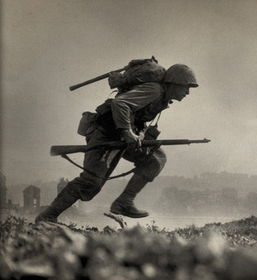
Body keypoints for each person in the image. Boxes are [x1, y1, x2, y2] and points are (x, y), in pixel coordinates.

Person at [35, 63, 199, 223]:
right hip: (105, 133)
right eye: (186, 87)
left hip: (122, 136)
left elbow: (135, 115)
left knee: (155, 159)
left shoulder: (162, 97)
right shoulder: (154, 90)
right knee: (91, 182)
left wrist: (138, 135)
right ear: (174, 83)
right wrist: (127, 132)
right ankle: (47, 216)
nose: (187, 92)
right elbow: (120, 103)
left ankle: (124, 202)